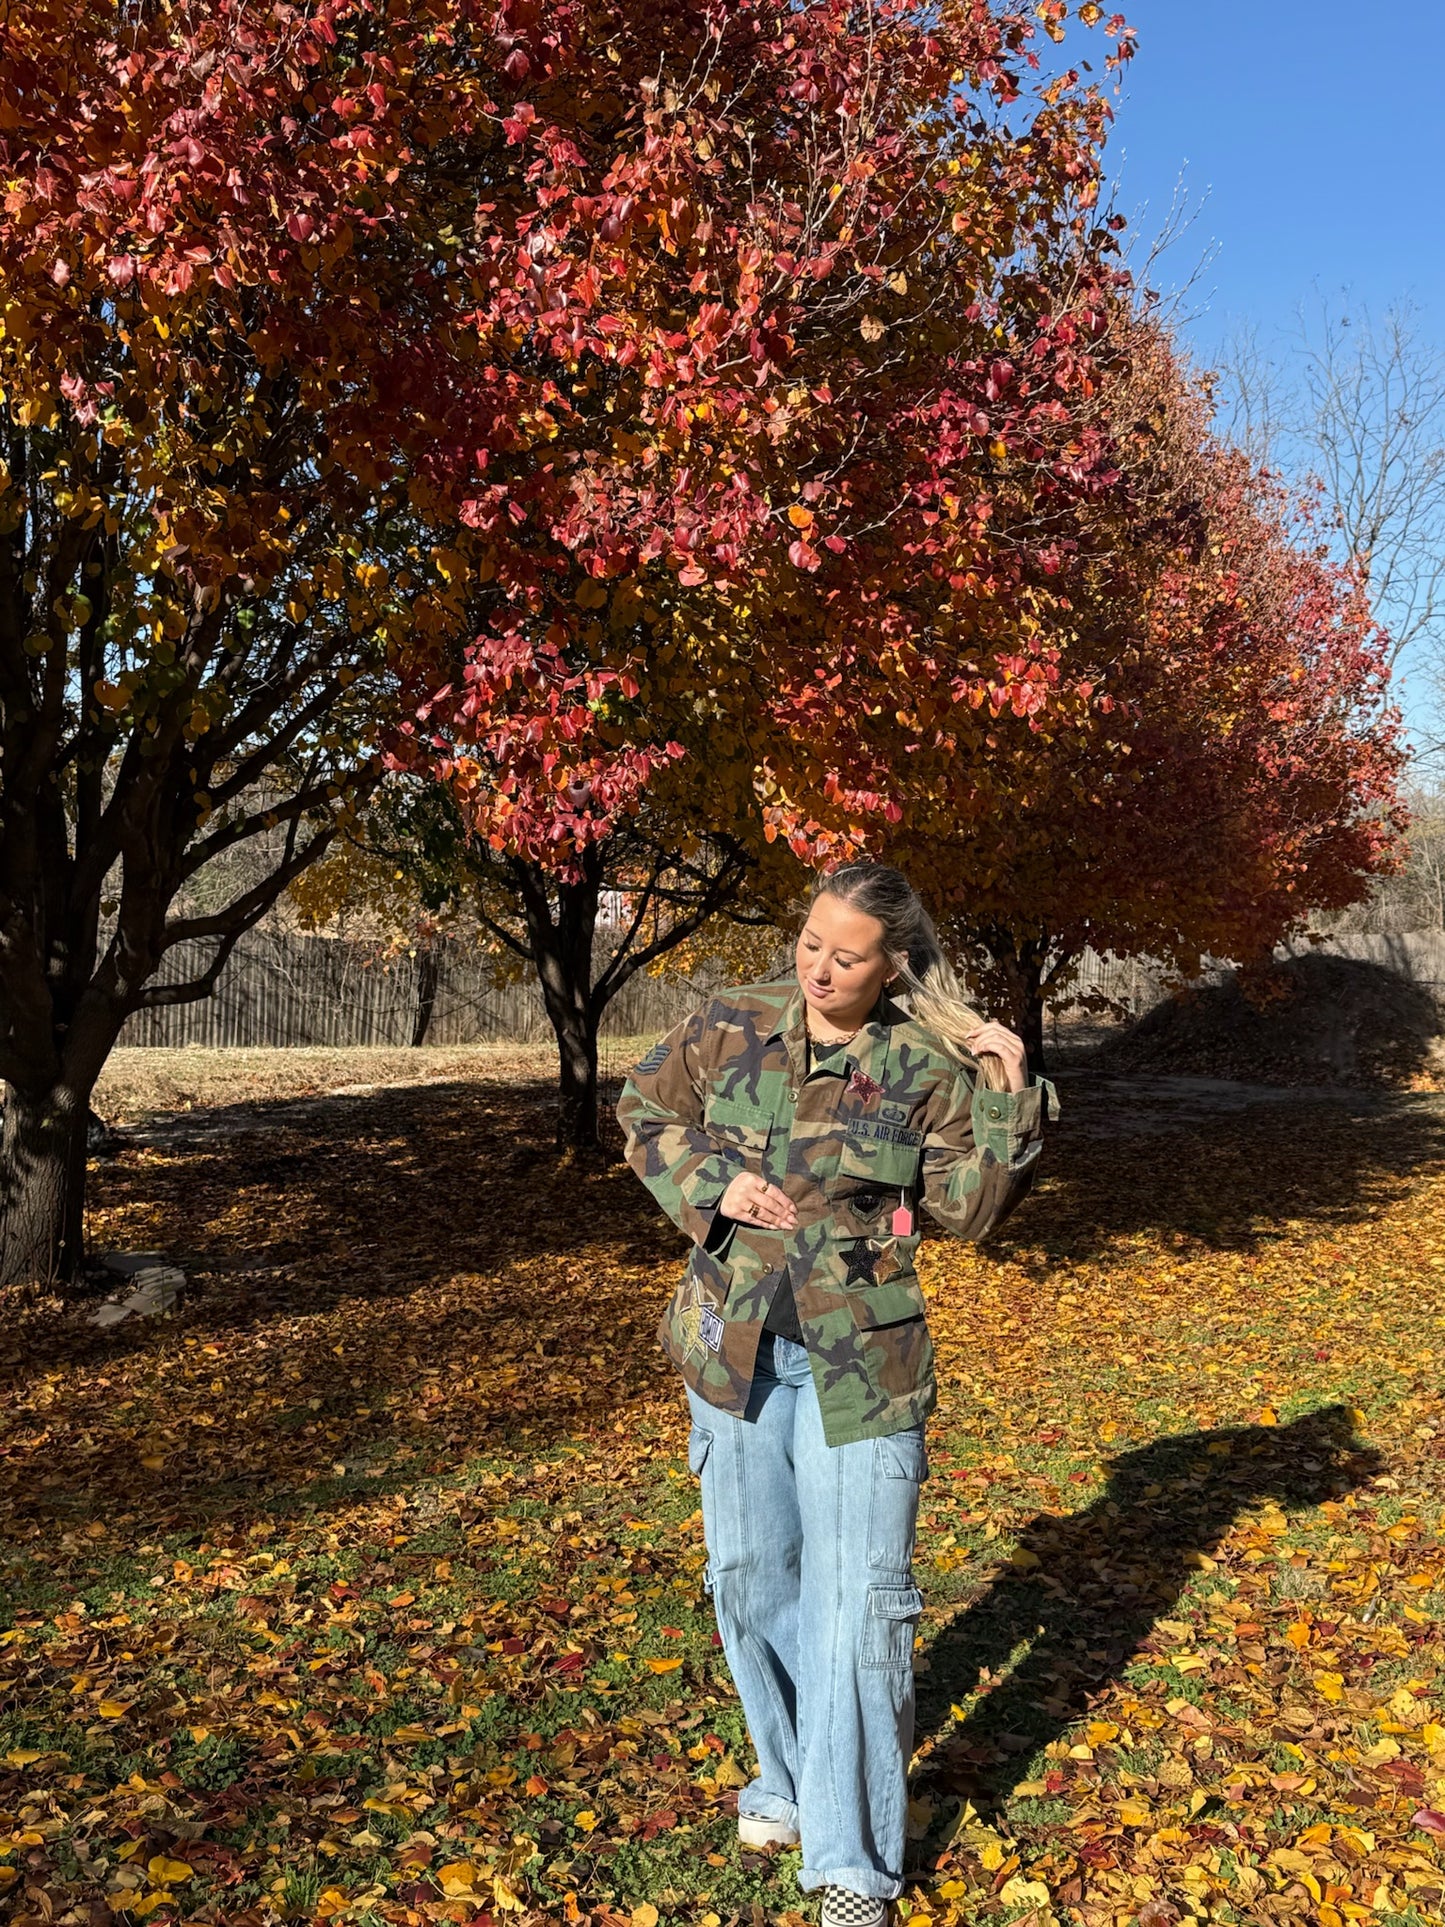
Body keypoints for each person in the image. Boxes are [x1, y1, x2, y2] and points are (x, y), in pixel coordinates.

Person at [616, 862, 1054, 1927]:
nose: (818, 966)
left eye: (845, 953)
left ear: (889, 961)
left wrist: (1006, 1096)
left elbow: (970, 1210)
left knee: (861, 1602)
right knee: (749, 1574)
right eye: (810, 942)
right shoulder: (729, 1023)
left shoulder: (924, 1060)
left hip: (862, 1362)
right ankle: (791, 1780)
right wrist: (710, 1186)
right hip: (733, 1348)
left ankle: (851, 1866)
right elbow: (639, 1110)